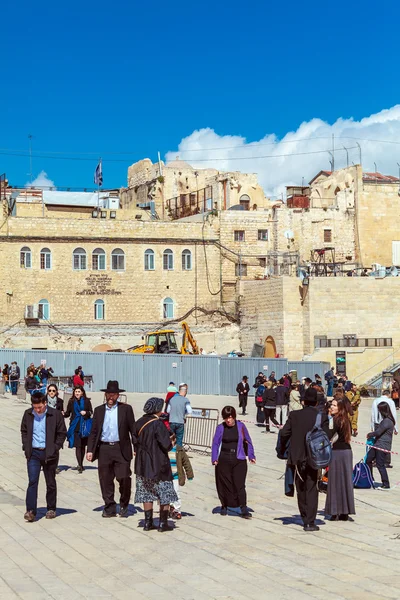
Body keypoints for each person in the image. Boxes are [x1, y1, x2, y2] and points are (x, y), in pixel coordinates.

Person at [279, 390, 329, 532]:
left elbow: (284, 433)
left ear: (303, 401)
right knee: (312, 489)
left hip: (297, 457)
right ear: (317, 402)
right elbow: (326, 437)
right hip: (314, 458)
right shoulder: (321, 417)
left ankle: (304, 518)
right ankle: (310, 522)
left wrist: (283, 448)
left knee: (301, 489)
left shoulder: (294, 415)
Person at [86, 380, 135, 518]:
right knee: (105, 479)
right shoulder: (99, 410)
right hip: (104, 449)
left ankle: (124, 504)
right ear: (105, 394)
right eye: (109, 394)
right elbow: (94, 432)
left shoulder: (126, 409)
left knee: (124, 477)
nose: (111, 397)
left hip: (121, 448)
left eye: (114, 394)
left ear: (118, 395)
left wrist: (136, 446)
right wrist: (90, 450)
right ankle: (109, 506)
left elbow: (133, 430)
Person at [20, 391, 67, 522]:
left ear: (45, 403)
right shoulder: (28, 414)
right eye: (35, 407)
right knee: (32, 481)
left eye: (40, 407)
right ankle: (30, 511)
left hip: (49, 453)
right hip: (33, 453)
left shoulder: (55, 414)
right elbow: (24, 430)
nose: (37, 410)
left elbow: (62, 432)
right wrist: (26, 446)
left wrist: (55, 447)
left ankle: (51, 508)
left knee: (50, 482)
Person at [134, 397, 178, 532]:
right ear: (157, 409)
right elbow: (165, 445)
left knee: (146, 493)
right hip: (159, 464)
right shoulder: (158, 424)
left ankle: (148, 523)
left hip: (142, 464)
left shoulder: (139, 422)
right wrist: (172, 442)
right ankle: (163, 523)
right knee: (164, 493)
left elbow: (135, 442)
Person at [211, 406, 255, 519]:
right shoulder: (221, 427)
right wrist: (214, 458)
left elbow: (248, 441)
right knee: (224, 484)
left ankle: (243, 507)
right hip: (224, 459)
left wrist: (251, 455)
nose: (228, 420)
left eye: (230, 417)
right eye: (226, 418)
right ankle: (224, 505)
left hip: (238, 459)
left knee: (240, 484)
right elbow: (215, 443)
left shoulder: (241, 426)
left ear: (234, 416)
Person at [325, 395, 355, 521]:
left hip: (338, 452)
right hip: (346, 452)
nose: (331, 407)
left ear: (340, 408)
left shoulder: (336, 420)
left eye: (334, 405)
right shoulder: (346, 420)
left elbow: (328, 434)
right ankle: (344, 511)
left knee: (334, 481)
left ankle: (335, 510)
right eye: (331, 404)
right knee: (345, 481)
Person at [64, 385, 93, 473]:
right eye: (76, 392)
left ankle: (81, 463)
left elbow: (91, 412)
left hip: (84, 426)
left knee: (83, 446)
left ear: (82, 392)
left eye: (79, 392)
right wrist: (62, 414)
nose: (77, 393)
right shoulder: (71, 401)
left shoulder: (87, 401)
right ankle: (79, 464)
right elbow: (68, 413)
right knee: (78, 446)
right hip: (75, 425)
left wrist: (86, 412)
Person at [366, 402, 394, 490]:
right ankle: (370, 478)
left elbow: (378, 432)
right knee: (368, 459)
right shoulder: (385, 420)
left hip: (382, 446)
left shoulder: (387, 421)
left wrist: (370, 434)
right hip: (377, 444)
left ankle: (386, 483)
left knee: (380, 464)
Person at [168, 437, 194, 519]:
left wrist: (189, 475)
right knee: (166, 494)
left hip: (176, 476)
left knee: (176, 493)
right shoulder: (163, 448)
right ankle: (169, 508)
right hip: (165, 476)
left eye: (171, 441)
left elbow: (186, 462)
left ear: (174, 440)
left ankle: (177, 510)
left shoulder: (179, 450)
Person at [46, 383, 64, 474]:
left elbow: (62, 412)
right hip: (46, 424)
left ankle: (55, 465)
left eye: (53, 390)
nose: (51, 392)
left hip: (56, 425)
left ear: (56, 392)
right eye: (50, 390)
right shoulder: (44, 400)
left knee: (55, 446)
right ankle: (46, 462)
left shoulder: (60, 401)